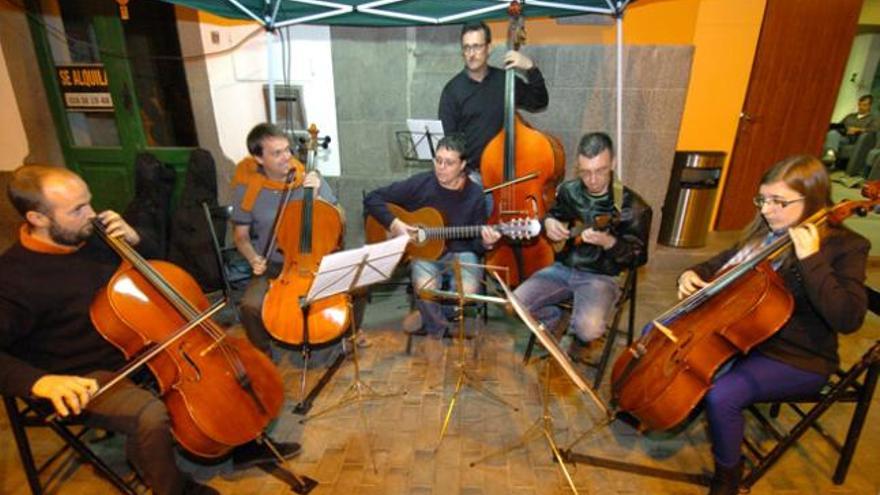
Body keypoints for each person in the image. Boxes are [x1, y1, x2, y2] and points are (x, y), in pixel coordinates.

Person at [0, 165, 295, 495]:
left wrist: (137, 241)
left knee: (222, 370)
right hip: (83, 375)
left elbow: (159, 273)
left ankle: (238, 440)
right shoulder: (12, 279)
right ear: (37, 218)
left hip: (143, 347)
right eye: (78, 209)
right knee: (149, 413)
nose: (93, 214)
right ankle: (173, 489)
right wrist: (41, 382)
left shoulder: (94, 237)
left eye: (89, 202)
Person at [676, 155, 869, 495]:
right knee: (682, 350)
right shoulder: (767, 232)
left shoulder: (847, 246)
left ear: (811, 199)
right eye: (763, 199)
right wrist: (693, 273)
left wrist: (811, 259)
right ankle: (675, 409)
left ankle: (729, 477)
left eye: (779, 202)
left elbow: (848, 318)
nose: (766, 210)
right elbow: (723, 261)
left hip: (799, 357)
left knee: (723, 395)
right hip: (746, 338)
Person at [513, 132, 651, 361]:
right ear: (578, 166)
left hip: (602, 276)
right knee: (516, 303)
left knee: (588, 328)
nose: (593, 179)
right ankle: (555, 321)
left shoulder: (634, 207)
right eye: (585, 172)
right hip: (564, 267)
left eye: (600, 170)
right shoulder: (570, 191)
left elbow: (637, 257)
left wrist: (610, 242)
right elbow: (554, 215)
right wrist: (549, 222)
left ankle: (578, 339)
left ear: (613, 163)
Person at [363, 135, 501, 338]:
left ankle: (429, 314)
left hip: (460, 253)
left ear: (463, 165)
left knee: (469, 290)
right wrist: (395, 224)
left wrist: (486, 243)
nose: (441, 167)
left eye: (449, 162)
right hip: (424, 253)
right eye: (438, 160)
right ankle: (438, 328)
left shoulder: (475, 196)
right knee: (424, 286)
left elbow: (476, 245)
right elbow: (372, 198)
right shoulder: (422, 183)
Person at [232, 123, 343, 358]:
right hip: (273, 268)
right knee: (250, 307)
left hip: (315, 262)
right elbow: (240, 237)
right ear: (258, 158)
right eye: (277, 153)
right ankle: (264, 354)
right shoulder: (247, 189)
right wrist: (253, 259)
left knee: (355, 288)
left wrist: (316, 198)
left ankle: (350, 335)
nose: (287, 158)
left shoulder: (309, 179)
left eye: (287, 150)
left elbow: (339, 219)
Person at [438, 21, 549, 184]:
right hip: (471, 176)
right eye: (466, 47)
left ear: (489, 48)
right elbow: (450, 141)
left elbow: (540, 102)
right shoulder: (452, 91)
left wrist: (530, 68)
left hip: (508, 174)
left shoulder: (505, 81)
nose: (471, 53)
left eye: (477, 46)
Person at [821, 94, 877, 166]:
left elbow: (874, 130)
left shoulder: (873, 118)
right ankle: (830, 156)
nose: (860, 107)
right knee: (832, 134)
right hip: (843, 137)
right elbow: (840, 125)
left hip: (855, 140)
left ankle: (830, 158)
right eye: (859, 104)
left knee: (831, 139)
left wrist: (858, 129)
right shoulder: (850, 116)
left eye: (864, 105)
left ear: (870, 106)